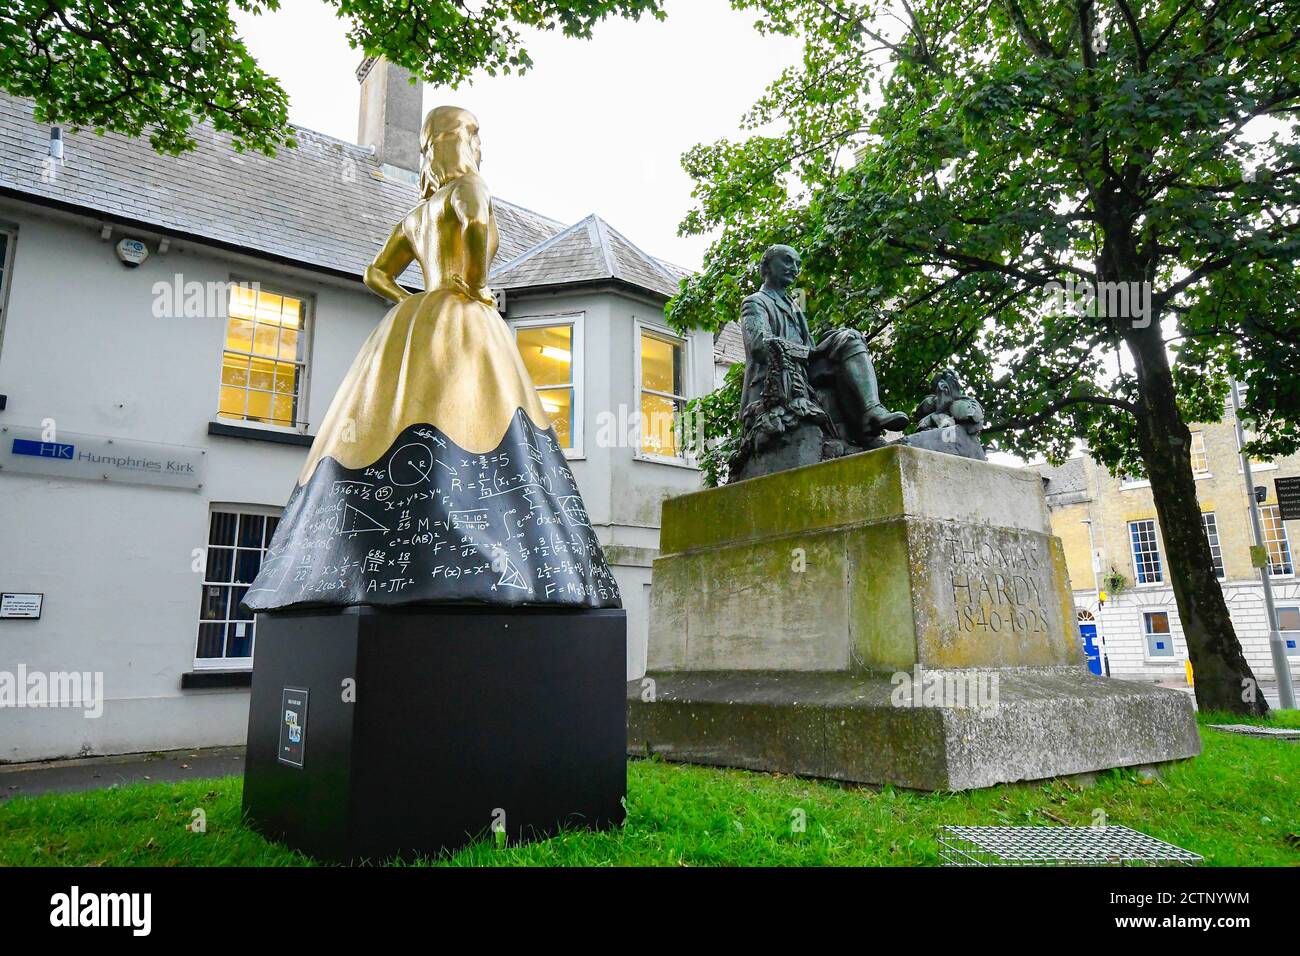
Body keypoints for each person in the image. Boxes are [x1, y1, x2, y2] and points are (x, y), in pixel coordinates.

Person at [243, 107, 620, 612]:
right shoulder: (472, 188)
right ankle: (500, 557)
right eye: (474, 136)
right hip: (464, 315)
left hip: (412, 321)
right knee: (490, 419)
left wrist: (410, 303)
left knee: (387, 420)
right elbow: (478, 226)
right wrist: (479, 285)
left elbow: (375, 273)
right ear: (459, 141)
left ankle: (354, 562)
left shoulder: (414, 215)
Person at [733, 244, 908, 476]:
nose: (794, 268)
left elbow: (809, 346)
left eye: (797, 264)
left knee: (849, 338)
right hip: (776, 379)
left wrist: (817, 351)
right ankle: (867, 428)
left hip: (804, 373)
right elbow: (760, 346)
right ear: (766, 267)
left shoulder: (794, 306)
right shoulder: (755, 302)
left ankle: (871, 418)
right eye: (787, 261)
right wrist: (812, 353)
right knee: (839, 346)